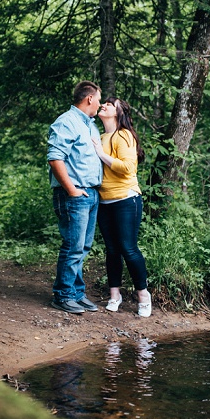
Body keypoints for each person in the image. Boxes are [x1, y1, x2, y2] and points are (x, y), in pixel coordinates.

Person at [91, 97, 152, 318]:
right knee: (112, 250)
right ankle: (114, 295)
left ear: (118, 112)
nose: (104, 105)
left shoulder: (123, 134)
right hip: (104, 200)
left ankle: (143, 295)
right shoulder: (100, 135)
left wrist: (101, 154)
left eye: (110, 104)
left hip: (126, 199)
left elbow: (127, 168)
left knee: (128, 248)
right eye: (103, 102)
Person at [47, 81, 103, 315]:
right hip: (74, 194)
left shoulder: (90, 125)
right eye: (99, 99)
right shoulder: (66, 121)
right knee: (73, 246)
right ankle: (62, 295)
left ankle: (76, 293)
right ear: (89, 99)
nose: (100, 104)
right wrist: (71, 189)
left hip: (90, 193)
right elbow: (55, 157)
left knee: (83, 246)